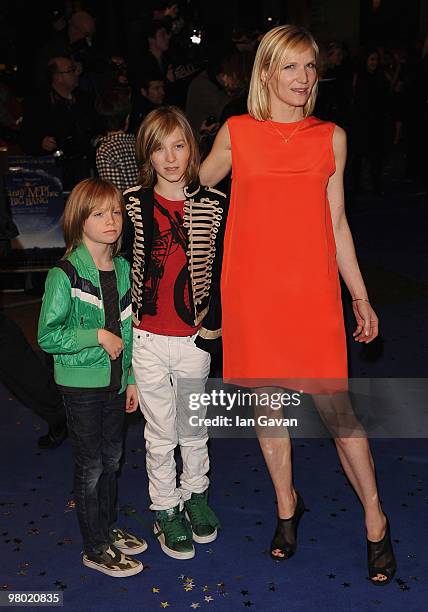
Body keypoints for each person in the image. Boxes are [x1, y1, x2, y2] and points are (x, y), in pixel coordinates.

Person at [200, 25, 396, 585]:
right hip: (252, 295)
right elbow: (187, 183)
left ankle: (376, 519)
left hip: (310, 295)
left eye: (311, 67)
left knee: (340, 415)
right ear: (265, 72)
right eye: (290, 67)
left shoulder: (330, 136)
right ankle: (287, 508)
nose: (304, 78)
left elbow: (336, 223)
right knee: (269, 410)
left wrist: (359, 295)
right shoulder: (237, 133)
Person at [122, 106, 227, 560]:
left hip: (193, 337)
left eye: (179, 146)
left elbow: (223, 271)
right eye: (159, 148)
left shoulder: (214, 204)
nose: (170, 157)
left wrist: (214, 330)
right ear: (148, 153)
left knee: (194, 426)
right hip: (146, 336)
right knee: (159, 430)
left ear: (192, 148)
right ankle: (165, 507)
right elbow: (119, 265)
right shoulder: (131, 203)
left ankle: (196, 495)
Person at [38, 178, 147, 577]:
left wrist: (131, 376)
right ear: (79, 219)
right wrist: (95, 336)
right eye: (99, 213)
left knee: (113, 459)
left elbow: (130, 329)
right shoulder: (64, 274)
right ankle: (95, 546)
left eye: (116, 212)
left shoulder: (122, 268)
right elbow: (48, 336)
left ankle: (108, 527)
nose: (111, 220)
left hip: (115, 383)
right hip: (81, 386)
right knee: (92, 465)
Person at [21, 56, 95, 190]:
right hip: (56, 173)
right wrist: (40, 143)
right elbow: (26, 138)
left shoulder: (85, 99)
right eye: (71, 70)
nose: (77, 73)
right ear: (57, 77)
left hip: (84, 169)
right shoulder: (39, 103)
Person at [95, 88, 138, 191]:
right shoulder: (138, 144)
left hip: (126, 205)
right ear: (127, 119)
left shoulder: (105, 150)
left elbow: (115, 192)